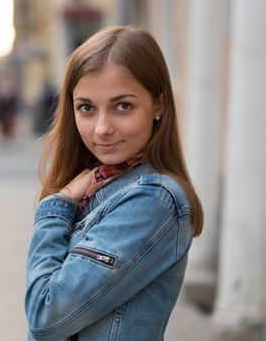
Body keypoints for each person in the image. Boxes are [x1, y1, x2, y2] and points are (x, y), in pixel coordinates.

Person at [24, 25, 203, 341]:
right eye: (87, 108)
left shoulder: (153, 201)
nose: (102, 128)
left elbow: (46, 314)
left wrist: (56, 207)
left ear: (158, 105)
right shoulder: (100, 181)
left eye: (123, 106)